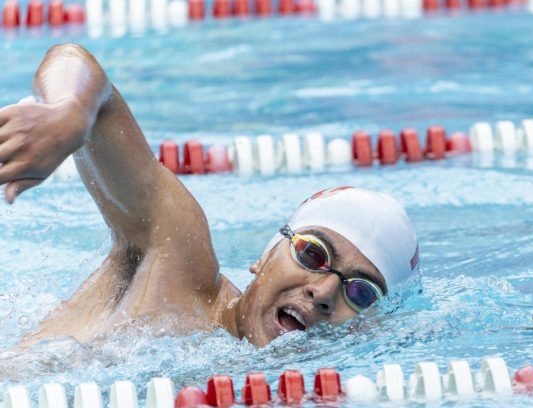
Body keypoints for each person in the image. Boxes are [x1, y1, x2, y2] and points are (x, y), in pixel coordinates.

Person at [0, 44, 419, 349]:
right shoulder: (181, 265)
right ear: (266, 256)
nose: (324, 292)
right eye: (312, 253)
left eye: (361, 292)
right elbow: (79, 63)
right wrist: (70, 114)